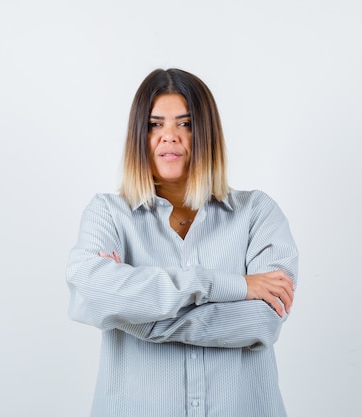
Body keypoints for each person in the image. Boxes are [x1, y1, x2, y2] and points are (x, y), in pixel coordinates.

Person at [66, 68, 299, 417]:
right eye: (155, 124)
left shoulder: (256, 213)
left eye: (185, 124)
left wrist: (132, 315)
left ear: (207, 135)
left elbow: (262, 320)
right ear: (138, 136)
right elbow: (92, 290)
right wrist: (233, 286)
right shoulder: (108, 214)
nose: (169, 136)